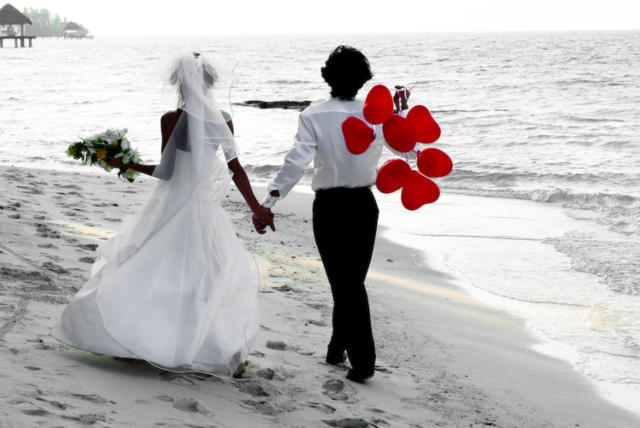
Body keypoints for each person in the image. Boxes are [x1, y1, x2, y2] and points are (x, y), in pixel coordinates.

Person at [51, 53, 274, 377]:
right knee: (206, 277)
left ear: (180, 84)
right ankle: (209, 349)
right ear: (209, 83)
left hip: (171, 203)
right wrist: (256, 209)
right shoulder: (223, 118)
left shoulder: (171, 119)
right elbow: (235, 168)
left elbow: (166, 171)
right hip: (203, 209)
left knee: (151, 268)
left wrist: (125, 163)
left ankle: (142, 341)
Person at [262, 45, 397, 383]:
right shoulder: (377, 115)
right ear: (363, 79)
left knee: (345, 283)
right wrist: (402, 115)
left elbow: (295, 163)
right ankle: (337, 349)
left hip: (330, 206)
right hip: (364, 205)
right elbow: (407, 148)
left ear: (328, 77)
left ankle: (363, 363)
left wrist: (269, 202)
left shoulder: (313, 115)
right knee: (350, 282)